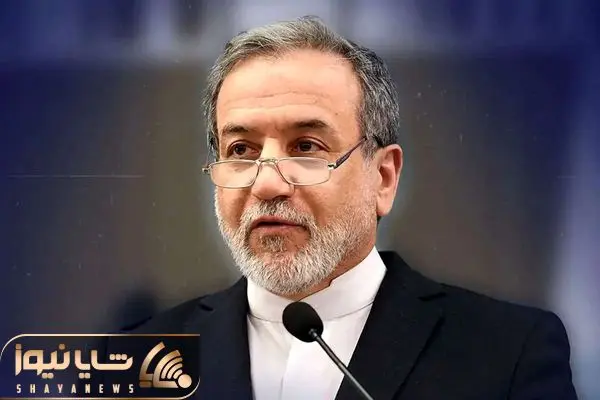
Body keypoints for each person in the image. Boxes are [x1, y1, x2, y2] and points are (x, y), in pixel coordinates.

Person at [128, 16, 577, 399]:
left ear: (383, 177)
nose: (266, 183)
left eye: (306, 146)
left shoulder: (508, 353)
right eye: (241, 150)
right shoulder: (141, 359)